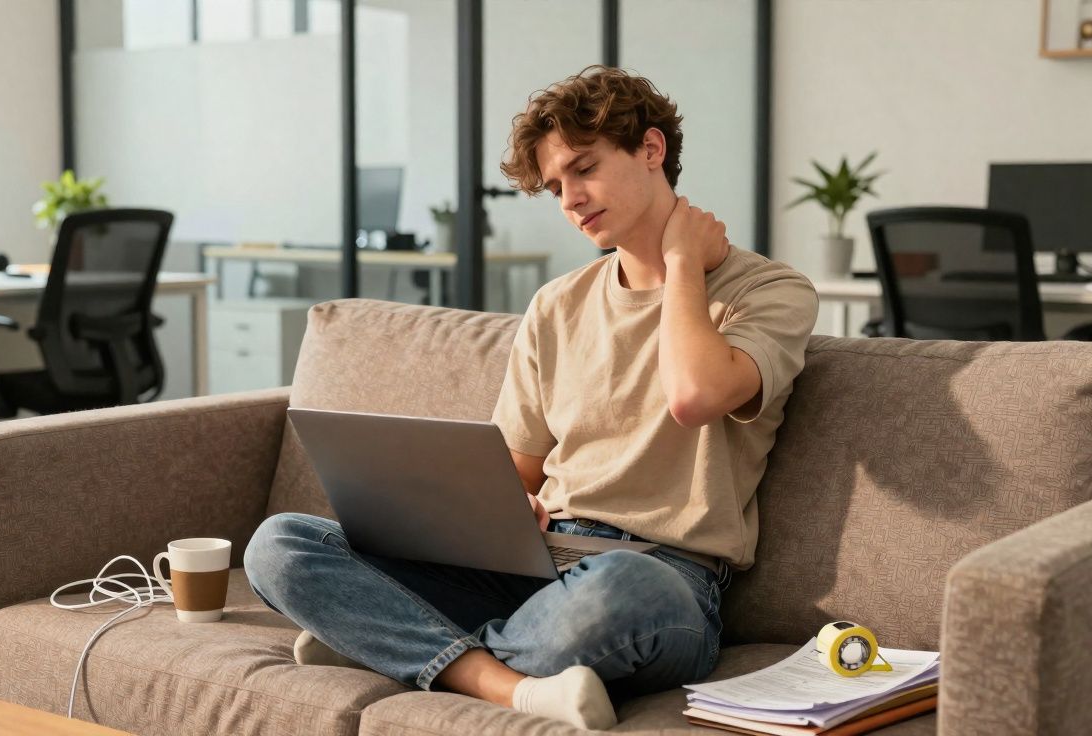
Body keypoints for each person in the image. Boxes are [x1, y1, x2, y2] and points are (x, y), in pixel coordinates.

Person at [244, 65, 818, 730]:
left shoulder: (771, 291)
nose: (570, 199)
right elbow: (517, 466)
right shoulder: (557, 304)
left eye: (584, 169)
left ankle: (390, 644)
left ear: (652, 151)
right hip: (536, 562)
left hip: (663, 578)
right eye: (555, 187)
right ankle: (506, 683)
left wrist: (684, 264)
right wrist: (500, 506)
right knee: (280, 544)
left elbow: (694, 395)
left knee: (622, 591)